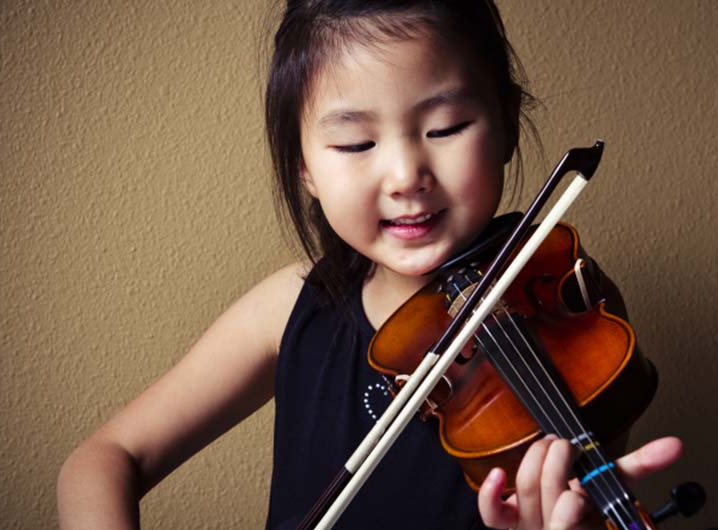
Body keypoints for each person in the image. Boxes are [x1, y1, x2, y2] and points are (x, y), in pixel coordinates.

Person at [56, 1, 683, 529]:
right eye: (356, 143)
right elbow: (105, 457)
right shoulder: (292, 308)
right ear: (303, 164)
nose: (407, 175)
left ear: (507, 125)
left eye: (447, 127)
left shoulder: (566, 300)